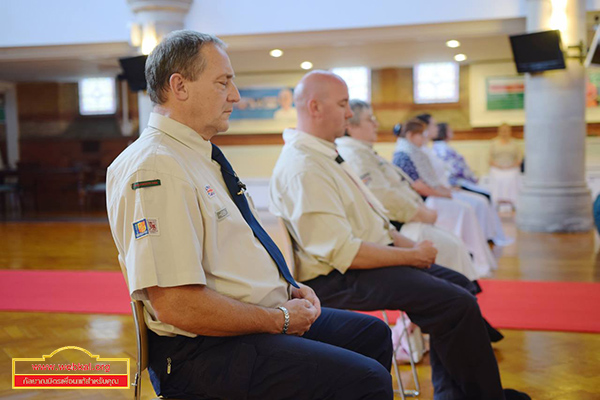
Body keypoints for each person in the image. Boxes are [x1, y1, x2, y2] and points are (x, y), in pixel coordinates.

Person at [106, 31, 394, 400]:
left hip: (247, 324)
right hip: (204, 354)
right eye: (223, 82)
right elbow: (178, 305)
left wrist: (288, 287)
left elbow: (235, 249)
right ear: (179, 86)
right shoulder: (155, 167)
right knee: (366, 380)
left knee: (371, 335)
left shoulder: (194, 154)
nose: (235, 95)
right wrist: (281, 319)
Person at [269, 70, 530, 400]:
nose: (350, 113)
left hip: (362, 262)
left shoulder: (324, 154)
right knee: (455, 302)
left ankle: (454, 393)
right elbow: (343, 252)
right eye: (343, 104)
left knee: (460, 286)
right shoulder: (304, 166)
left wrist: (410, 246)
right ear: (315, 107)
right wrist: (412, 256)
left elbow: (374, 221)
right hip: (336, 278)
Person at [336, 99, 479, 281]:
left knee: (454, 244)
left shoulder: (364, 151)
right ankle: (457, 299)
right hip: (397, 226)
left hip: (408, 218)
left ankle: (463, 295)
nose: (376, 124)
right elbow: (383, 196)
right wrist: (420, 212)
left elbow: (401, 186)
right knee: (450, 248)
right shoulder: (354, 155)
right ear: (350, 126)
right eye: (370, 119)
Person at [392, 119, 498, 276]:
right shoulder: (403, 155)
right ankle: (470, 253)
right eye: (421, 135)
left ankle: (473, 253)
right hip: (425, 201)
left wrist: (445, 192)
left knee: (470, 206)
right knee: (465, 208)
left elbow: (431, 180)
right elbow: (418, 186)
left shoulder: (416, 152)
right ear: (410, 135)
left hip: (431, 197)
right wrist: (443, 193)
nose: (424, 138)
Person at [415, 114, 511, 246]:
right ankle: (482, 239)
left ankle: (486, 236)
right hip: (447, 187)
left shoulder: (431, 149)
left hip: (446, 187)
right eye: (433, 125)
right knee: (480, 201)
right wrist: (455, 186)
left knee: (483, 198)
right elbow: (452, 171)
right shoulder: (434, 149)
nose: (436, 127)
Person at [432, 122, 491, 199]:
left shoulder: (438, 147)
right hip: (456, 183)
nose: (452, 132)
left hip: (454, 181)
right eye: (449, 130)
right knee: (486, 195)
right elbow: (457, 170)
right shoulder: (444, 150)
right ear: (444, 132)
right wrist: (473, 177)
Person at [489, 123, 523, 208]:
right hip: (497, 168)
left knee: (512, 176)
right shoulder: (493, 143)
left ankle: (512, 201)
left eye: (506, 131)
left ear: (510, 132)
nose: (504, 133)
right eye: (502, 131)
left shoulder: (515, 143)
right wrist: (499, 166)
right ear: (499, 132)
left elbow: (519, 159)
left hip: (512, 167)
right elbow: (489, 159)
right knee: (497, 177)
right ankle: (497, 200)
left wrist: (510, 166)